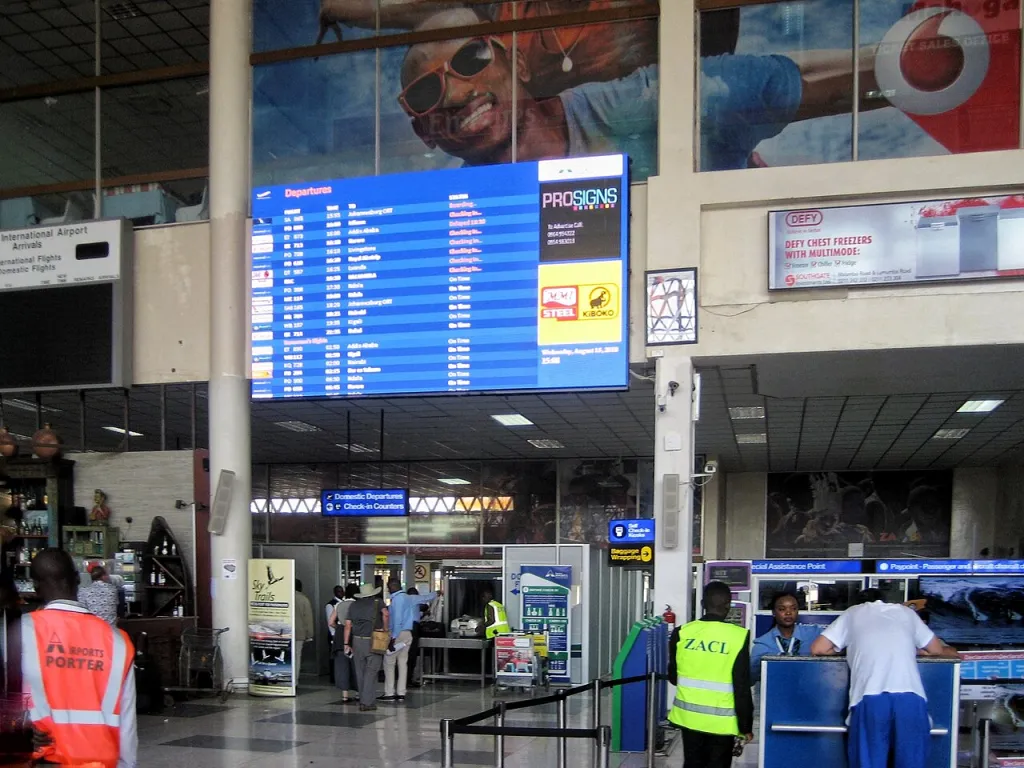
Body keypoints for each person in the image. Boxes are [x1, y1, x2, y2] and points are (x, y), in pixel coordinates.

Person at [397, 10, 658, 172]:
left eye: (471, 59)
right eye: (426, 93)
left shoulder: (628, 106)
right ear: (424, 132)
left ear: (518, 65)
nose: (455, 95)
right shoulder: (463, 215)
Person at [811, 588, 961, 768]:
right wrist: (913, 650)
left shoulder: (853, 613)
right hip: (911, 698)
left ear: (859, 603)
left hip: (870, 696)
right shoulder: (907, 613)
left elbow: (818, 648)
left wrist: (849, 648)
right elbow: (936, 650)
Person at [20, 549, 136, 768]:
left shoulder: (19, 632)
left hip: (43, 761)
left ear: (35, 586)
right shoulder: (118, 642)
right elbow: (127, 726)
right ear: (77, 579)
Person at [667, 580, 753, 768]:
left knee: (692, 763)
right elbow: (742, 687)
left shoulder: (681, 633)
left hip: (689, 718)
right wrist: (745, 726)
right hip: (722, 722)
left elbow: (673, 677)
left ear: (703, 605)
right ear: (728, 606)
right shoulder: (738, 636)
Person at [380, 578, 437, 702]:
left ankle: (389, 693)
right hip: (408, 634)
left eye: (388, 587)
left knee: (389, 662)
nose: (388, 590)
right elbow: (427, 597)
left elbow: (398, 620)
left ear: (392, 586)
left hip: (397, 634)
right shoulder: (410, 598)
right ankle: (401, 692)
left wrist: (392, 639)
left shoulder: (397, 600)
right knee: (402, 662)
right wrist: (437, 593)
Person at [750, 592, 822, 683]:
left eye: (793, 608)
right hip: (777, 692)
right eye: (782, 609)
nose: (788, 613)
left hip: (810, 689)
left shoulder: (814, 633)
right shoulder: (762, 644)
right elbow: (752, 677)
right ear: (773, 612)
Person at [343, 583, 389, 711]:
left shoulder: (353, 605)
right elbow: (385, 614)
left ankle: (364, 699)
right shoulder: (378, 602)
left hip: (357, 641)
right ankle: (367, 702)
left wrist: (346, 643)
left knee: (360, 671)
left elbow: (348, 626)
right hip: (374, 640)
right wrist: (385, 628)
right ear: (373, 593)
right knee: (371, 671)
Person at [328, 584, 359, 702]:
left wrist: (338, 628)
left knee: (342, 665)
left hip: (340, 636)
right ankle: (358, 692)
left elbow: (331, 622)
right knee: (356, 665)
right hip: (355, 634)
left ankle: (344, 695)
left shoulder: (339, 604)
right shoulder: (357, 605)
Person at [293, 579, 315, 675]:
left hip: (283, 633)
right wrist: (309, 634)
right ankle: (295, 681)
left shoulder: (285, 597)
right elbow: (308, 619)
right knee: (297, 657)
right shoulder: (304, 600)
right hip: (299, 633)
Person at [325, 584, 345, 683]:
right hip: (335, 635)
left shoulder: (344, 603)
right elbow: (330, 622)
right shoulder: (330, 605)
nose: (341, 593)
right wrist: (333, 635)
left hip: (342, 634)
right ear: (335, 592)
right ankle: (333, 677)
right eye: (339, 591)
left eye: (342, 591)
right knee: (333, 656)